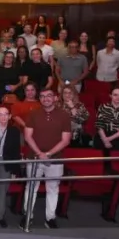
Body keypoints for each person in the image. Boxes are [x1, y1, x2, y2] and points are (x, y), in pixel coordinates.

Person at [21, 88, 72, 229]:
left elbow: (66, 140)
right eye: (42, 96)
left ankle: (50, 218)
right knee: (31, 187)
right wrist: (39, 153)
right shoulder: (33, 114)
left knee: (53, 189)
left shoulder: (64, 115)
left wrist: (48, 154)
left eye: (49, 96)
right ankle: (28, 216)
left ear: (55, 98)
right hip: (34, 157)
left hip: (55, 159)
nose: (46, 99)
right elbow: (27, 136)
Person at [94, 86, 119, 155]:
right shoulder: (103, 107)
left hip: (118, 138)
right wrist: (105, 140)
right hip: (102, 136)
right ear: (110, 96)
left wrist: (109, 139)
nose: (118, 97)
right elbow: (99, 124)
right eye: (115, 95)